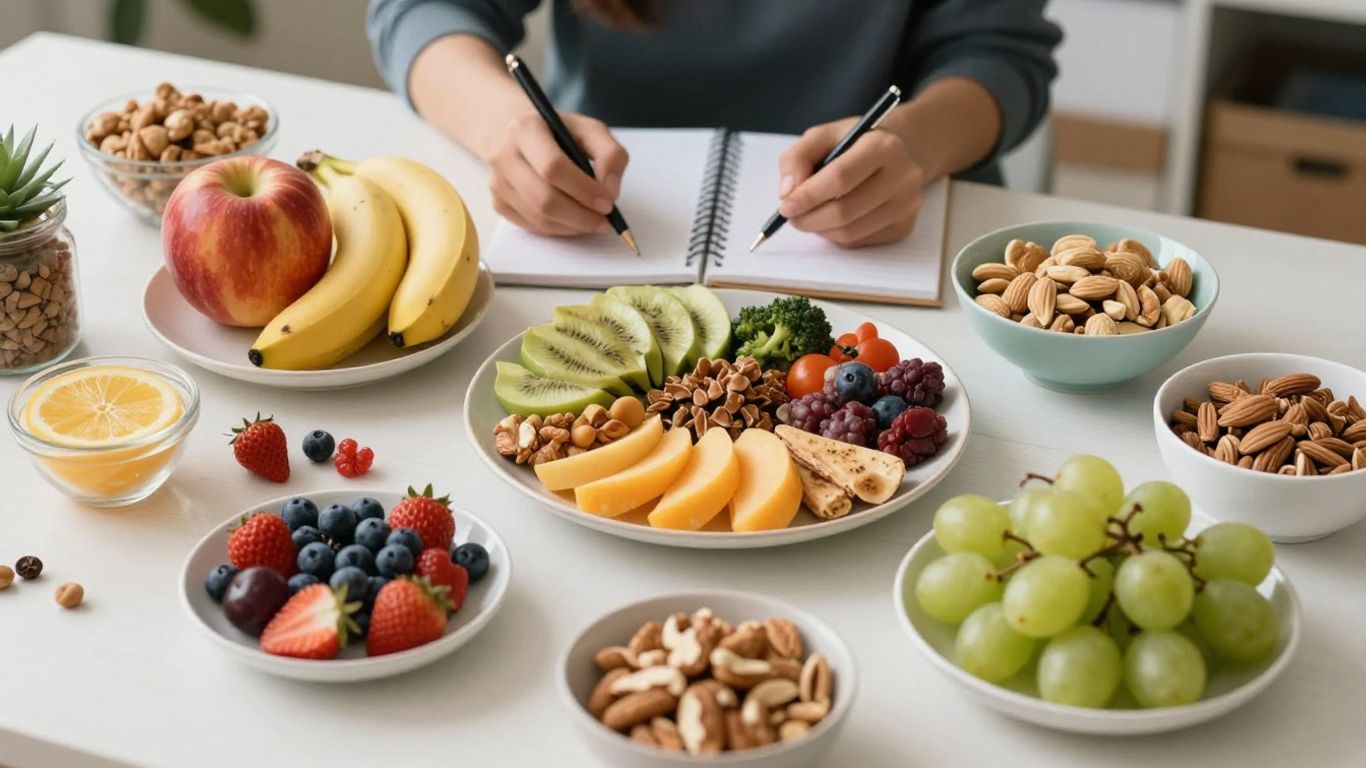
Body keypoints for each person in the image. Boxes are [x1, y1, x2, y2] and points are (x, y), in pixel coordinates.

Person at [368, 0, 1060, 248]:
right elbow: (423, 9)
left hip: (900, 215)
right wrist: (505, 127)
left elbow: (999, 55)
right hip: (590, 221)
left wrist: (915, 143)